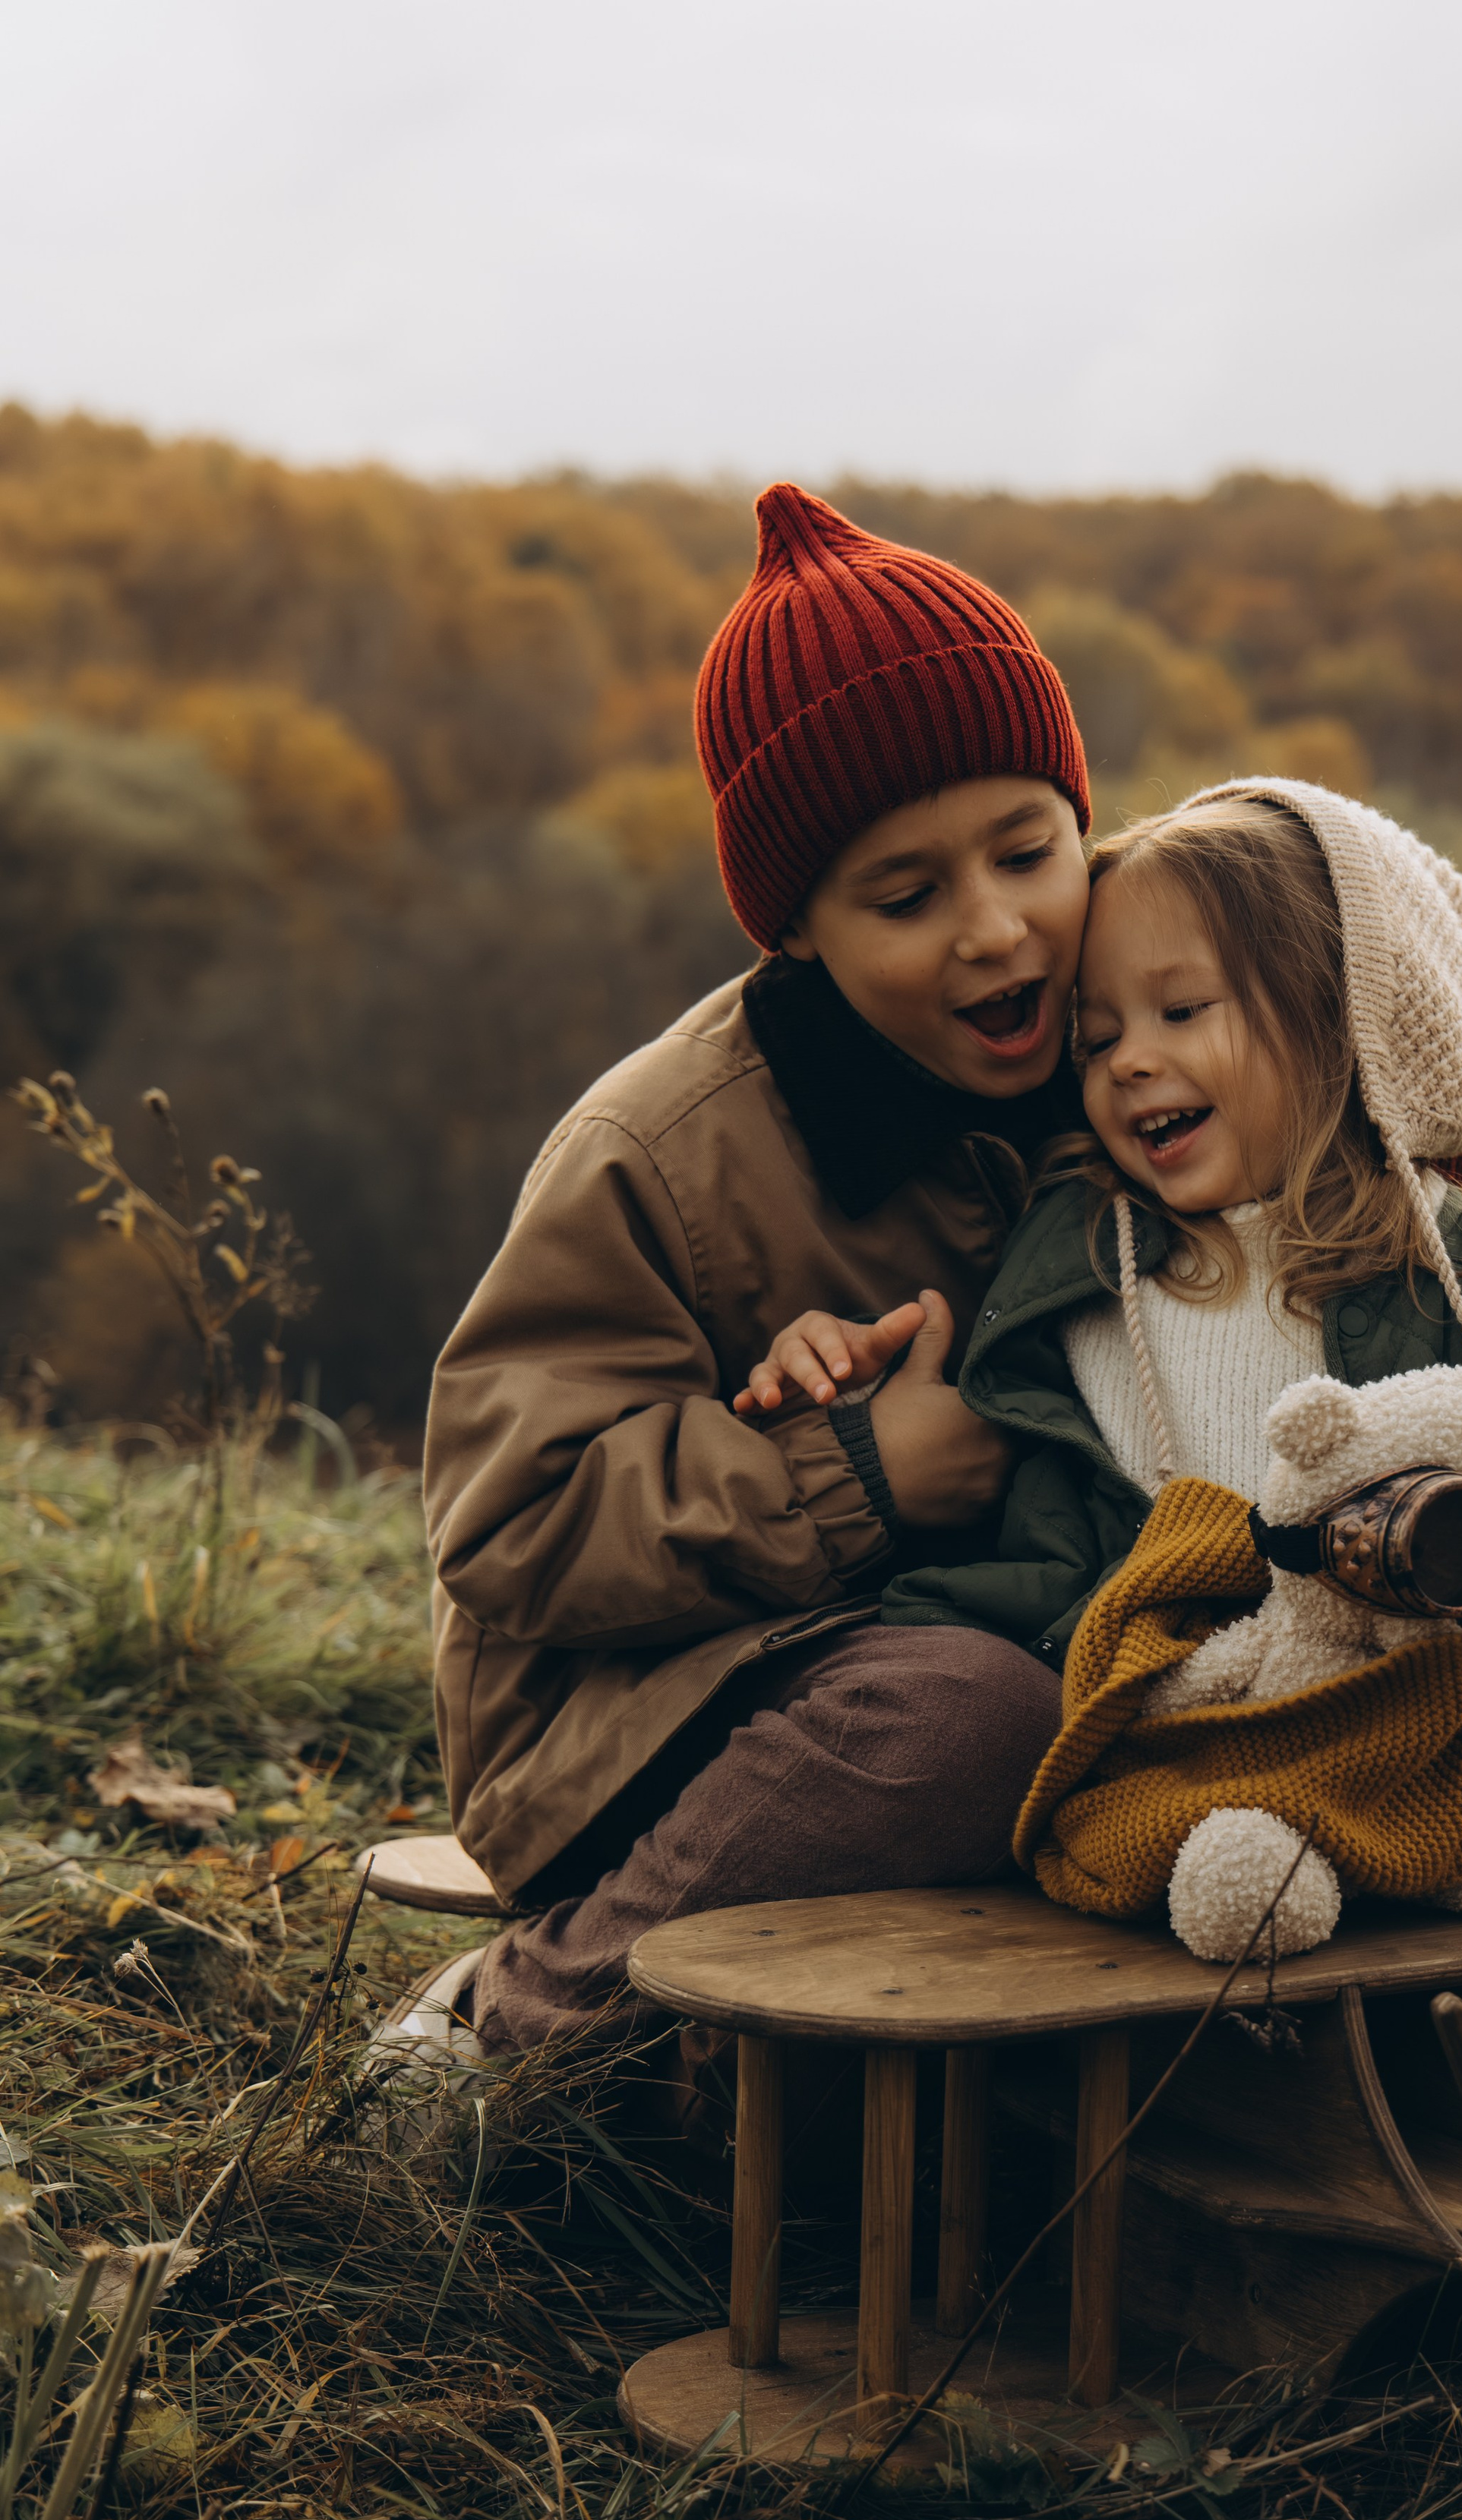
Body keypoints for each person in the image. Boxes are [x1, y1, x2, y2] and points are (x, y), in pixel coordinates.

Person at [382, 485, 1092, 2092]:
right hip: (647, 1718)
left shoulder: (1141, 1036)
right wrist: (855, 1473)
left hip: (1023, 1632)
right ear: (799, 935)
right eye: (903, 899)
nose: (994, 930)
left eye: (1026, 850)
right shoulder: (665, 1149)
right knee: (966, 1716)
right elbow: (507, 1525)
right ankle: (503, 2049)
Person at [744, 783, 1462, 1852]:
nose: (1126, 1060)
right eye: (1096, 1036)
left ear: (1333, 1009)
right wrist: (844, 1385)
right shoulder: (1066, 1279)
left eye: (1181, 1011)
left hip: (1436, 1780)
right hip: (1162, 1795)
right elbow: (1016, 1567)